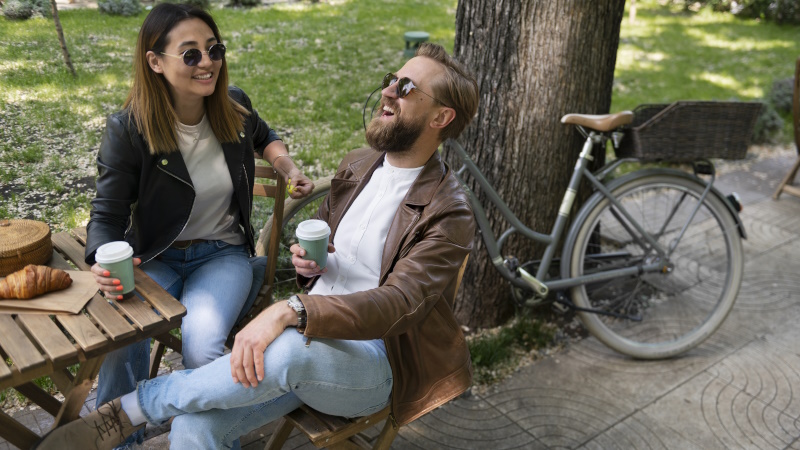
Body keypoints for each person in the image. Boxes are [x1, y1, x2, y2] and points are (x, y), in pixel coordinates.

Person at [36, 42, 479, 450]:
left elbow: (399, 302)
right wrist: (310, 264)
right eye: (390, 79)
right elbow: (326, 240)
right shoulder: (360, 164)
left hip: (374, 362)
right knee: (194, 427)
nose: (387, 92)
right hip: (305, 342)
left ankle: (129, 410)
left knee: (286, 348)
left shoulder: (448, 211)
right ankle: (144, 412)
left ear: (440, 118)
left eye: (405, 87)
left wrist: (293, 309)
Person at [82, 3, 313, 448]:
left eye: (213, 50)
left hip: (222, 255)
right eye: (190, 54)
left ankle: (203, 437)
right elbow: (106, 214)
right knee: (120, 338)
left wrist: (286, 167)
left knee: (202, 347)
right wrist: (101, 260)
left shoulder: (234, 105)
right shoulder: (129, 129)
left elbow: (264, 135)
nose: (206, 63)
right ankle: (117, 442)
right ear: (155, 61)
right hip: (155, 257)